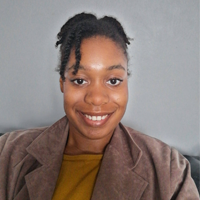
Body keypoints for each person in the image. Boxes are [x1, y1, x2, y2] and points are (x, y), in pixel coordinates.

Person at [0, 12, 199, 200]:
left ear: (126, 83)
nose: (96, 98)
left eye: (113, 81)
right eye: (79, 80)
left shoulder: (170, 170)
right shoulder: (8, 153)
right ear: (62, 83)